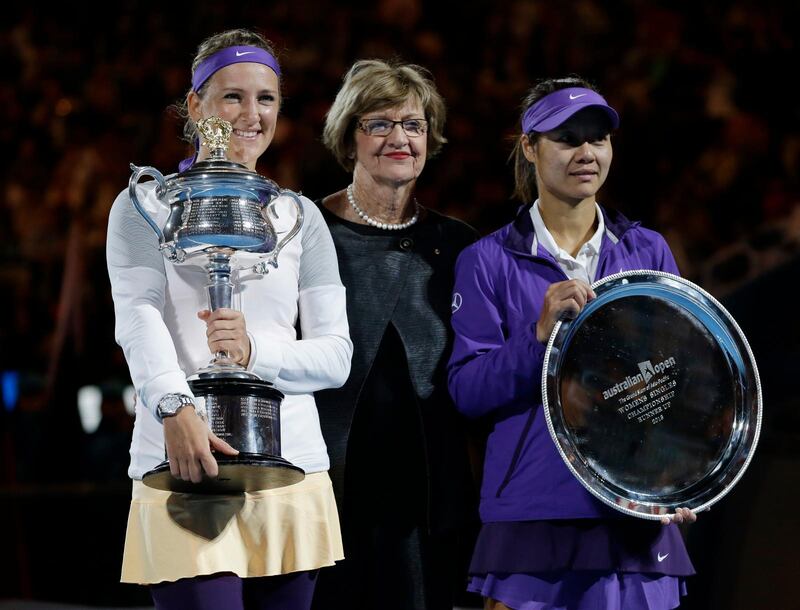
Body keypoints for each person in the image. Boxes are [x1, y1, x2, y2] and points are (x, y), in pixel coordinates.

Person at [106, 29, 352, 610]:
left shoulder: (300, 217)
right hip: (182, 459)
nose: (252, 114)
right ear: (195, 106)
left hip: (292, 466)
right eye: (232, 96)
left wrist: (254, 354)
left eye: (265, 98)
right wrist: (175, 406)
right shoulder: (145, 204)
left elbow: (336, 357)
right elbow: (136, 316)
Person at [447, 76, 698, 610]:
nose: (586, 152)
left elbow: (680, 382)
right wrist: (537, 339)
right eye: (566, 138)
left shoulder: (647, 249)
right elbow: (467, 391)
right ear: (530, 148)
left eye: (598, 138)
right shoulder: (486, 261)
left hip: (631, 514)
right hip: (532, 514)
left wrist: (679, 477)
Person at [311, 59, 481, 610]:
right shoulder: (305, 231)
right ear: (349, 137)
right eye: (379, 124)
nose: (400, 138)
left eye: (414, 124)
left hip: (429, 507)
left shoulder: (458, 245)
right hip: (323, 498)